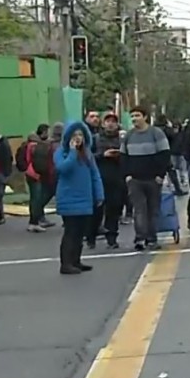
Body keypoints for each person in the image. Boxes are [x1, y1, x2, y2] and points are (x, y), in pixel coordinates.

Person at [54, 122, 104, 275]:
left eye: (80, 135)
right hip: (68, 198)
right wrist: (72, 152)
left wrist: (99, 194)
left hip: (85, 199)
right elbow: (63, 168)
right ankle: (66, 263)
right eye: (75, 135)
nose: (78, 138)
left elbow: (95, 175)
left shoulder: (87, 153)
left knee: (81, 232)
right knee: (71, 231)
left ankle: (76, 260)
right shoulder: (61, 152)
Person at [120, 106, 172, 251]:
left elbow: (164, 155)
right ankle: (140, 238)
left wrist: (160, 175)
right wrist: (127, 176)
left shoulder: (156, 133)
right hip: (135, 180)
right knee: (139, 210)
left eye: (137, 115)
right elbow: (123, 157)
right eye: (132, 116)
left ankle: (152, 239)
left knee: (153, 210)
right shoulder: (129, 136)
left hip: (153, 179)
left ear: (145, 117)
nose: (134, 119)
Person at [93, 113, 125, 248]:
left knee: (114, 209)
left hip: (117, 178)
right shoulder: (96, 138)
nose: (110, 124)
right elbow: (89, 156)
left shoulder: (123, 139)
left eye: (113, 121)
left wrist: (119, 154)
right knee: (97, 210)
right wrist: (103, 155)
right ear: (103, 124)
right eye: (108, 121)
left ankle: (112, 237)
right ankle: (91, 235)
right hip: (99, 177)